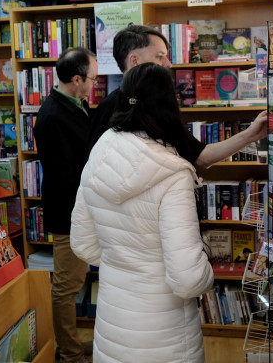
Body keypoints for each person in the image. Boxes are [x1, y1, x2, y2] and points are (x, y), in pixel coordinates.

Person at [71, 63, 215, 363]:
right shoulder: (173, 172)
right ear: (169, 105)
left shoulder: (100, 151)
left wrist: (124, 261)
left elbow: (82, 243)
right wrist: (207, 267)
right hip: (165, 331)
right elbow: (188, 279)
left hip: (113, 319)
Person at [86, 24, 268, 172]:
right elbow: (95, 169)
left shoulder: (159, 106)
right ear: (135, 61)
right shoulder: (110, 107)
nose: (168, 64)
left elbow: (201, 157)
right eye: (159, 57)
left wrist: (252, 134)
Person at [33, 47, 97, 363]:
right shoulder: (51, 117)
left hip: (83, 211)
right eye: (92, 80)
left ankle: (71, 345)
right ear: (76, 79)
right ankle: (69, 353)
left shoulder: (75, 104)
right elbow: (64, 177)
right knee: (66, 286)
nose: (94, 86)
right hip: (71, 214)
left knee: (74, 280)